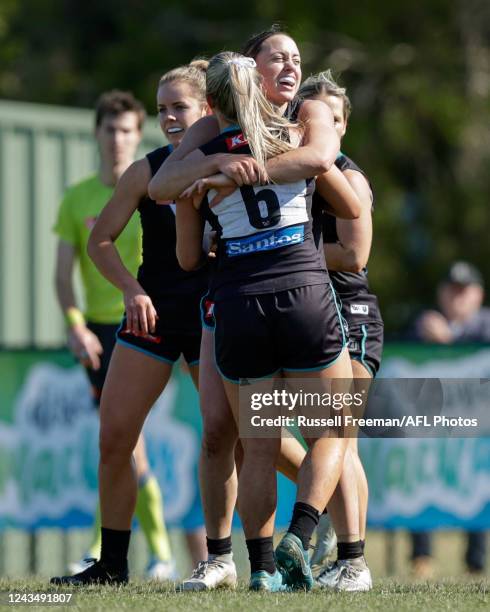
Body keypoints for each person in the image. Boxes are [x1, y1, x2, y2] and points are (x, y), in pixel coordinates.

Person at [148, 27, 362, 593]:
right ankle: (304, 533)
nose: (290, 66)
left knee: (258, 445)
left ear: (212, 100)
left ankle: (262, 570)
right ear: (252, 70)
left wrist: (221, 172)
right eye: (278, 58)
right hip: (303, 292)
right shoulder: (293, 131)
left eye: (296, 57)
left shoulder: (214, 147)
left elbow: (188, 256)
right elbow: (347, 200)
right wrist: (252, 165)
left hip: (239, 301)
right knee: (334, 427)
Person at [52, 90, 176, 580]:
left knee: (141, 442)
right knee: (123, 442)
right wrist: (76, 326)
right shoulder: (78, 197)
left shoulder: (152, 184)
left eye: (127, 130)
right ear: (96, 134)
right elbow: (63, 276)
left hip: (155, 317)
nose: (118, 139)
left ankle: (133, 552)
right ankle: (145, 555)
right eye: (110, 129)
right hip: (104, 333)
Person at [298, 70, 384, 591]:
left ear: (342, 125)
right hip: (310, 311)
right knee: (309, 436)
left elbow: (355, 255)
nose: (316, 124)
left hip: (350, 314)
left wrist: (290, 254)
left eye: (328, 117)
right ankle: (334, 538)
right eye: (308, 116)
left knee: (341, 438)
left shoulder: (348, 177)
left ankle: (354, 561)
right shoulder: (299, 171)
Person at [411, 260, 488, 577]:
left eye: (464, 290)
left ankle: (476, 561)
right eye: (452, 290)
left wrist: (449, 342)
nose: (457, 297)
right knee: (420, 481)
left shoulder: (485, 325)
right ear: (441, 293)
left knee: (479, 486)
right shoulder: (423, 324)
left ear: (478, 294)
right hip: (433, 426)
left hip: (478, 427)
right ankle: (422, 557)